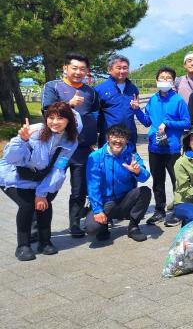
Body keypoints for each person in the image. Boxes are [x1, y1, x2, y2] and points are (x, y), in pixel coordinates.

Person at [1, 102, 81, 260]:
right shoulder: (34, 131)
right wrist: (21, 141)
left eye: (60, 118)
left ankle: (45, 241)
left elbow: (59, 168)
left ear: (69, 121)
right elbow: (11, 158)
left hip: (39, 178)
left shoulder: (70, 141)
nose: (55, 122)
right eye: (51, 117)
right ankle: (23, 245)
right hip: (13, 175)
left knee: (45, 202)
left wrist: (41, 193)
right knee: (28, 204)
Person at [41, 52, 100, 238]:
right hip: (57, 149)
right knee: (48, 187)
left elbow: (94, 115)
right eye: (74, 68)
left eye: (82, 69)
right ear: (65, 68)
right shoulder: (53, 86)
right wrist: (69, 104)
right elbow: (47, 112)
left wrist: (93, 140)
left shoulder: (91, 91)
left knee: (79, 190)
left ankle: (74, 224)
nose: (78, 72)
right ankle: (37, 227)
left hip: (82, 150)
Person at [134, 66, 191, 226]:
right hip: (154, 148)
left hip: (172, 148)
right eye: (162, 78)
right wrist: (137, 110)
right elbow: (146, 121)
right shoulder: (153, 99)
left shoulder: (178, 100)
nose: (164, 81)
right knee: (157, 182)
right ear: (156, 80)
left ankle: (178, 211)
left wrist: (168, 123)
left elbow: (186, 122)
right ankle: (160, 211)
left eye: (168, 78)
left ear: (173, 82)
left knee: (176, 181)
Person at [85, 124, 152, 242]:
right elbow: (93, 186)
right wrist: (98, 211)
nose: (117, 140)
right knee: (92, 228)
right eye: (114, 136)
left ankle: (133, 227)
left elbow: (145, 177)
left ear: (126, 141)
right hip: (106, 202)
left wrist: (138, 171)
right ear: (108, 138)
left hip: (125, 200)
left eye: (122, 137)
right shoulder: (96, 157)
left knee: (145, 191)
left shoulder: (131, 156)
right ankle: (103, 226)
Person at [95, 53, 141, 147]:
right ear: (110, 70)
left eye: (125, 68)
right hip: (109, 139)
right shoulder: (100, 89)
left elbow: (135, 111)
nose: (122, 71)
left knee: (130, 161)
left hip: (129, 139)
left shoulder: (133, 89)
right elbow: (95, 116)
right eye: (118, 68)